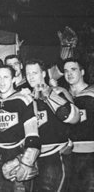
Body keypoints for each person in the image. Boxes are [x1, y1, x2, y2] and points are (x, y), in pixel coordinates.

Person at [0, 65, 40, 192]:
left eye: (6, 77)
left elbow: (33, 135)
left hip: (15, 154)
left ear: (14, 79)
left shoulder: (23, 99)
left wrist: (26, 162)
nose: (1, 81)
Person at [25, 59, 79, 192]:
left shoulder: (59, 92)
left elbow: (74, 118)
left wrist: (50, 95)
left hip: (55, 157)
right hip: (34, 160)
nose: (31, 76)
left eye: (35, 73)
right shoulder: (26, 98)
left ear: (43, 74)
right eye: (28, 73)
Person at [63, 58, 94, 191]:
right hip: (67, 155)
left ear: (82, 72)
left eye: (73, 69)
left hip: (90, 155)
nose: (69, 73)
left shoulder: (92, 93)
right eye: (65, 71)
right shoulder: (61, 96)